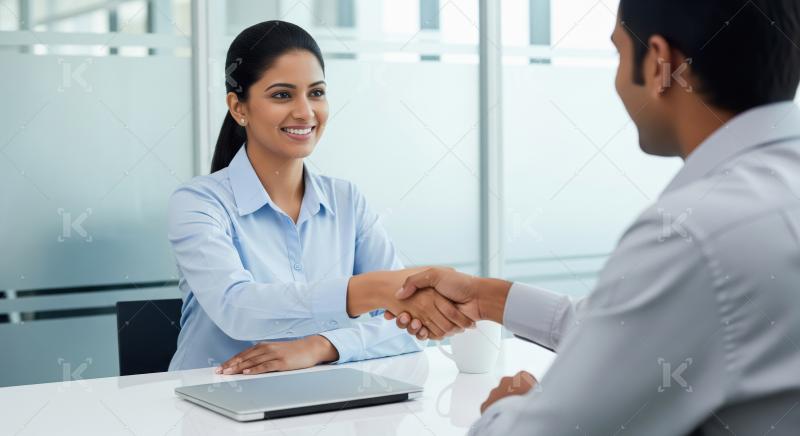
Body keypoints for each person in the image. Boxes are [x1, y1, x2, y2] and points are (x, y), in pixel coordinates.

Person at [388, 0, 800, 434]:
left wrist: (510, 409)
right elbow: (639, 330)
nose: (618, 80)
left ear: (661, 64)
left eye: (620, 54)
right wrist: (482, 296)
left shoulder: (696, 233)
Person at [167, 20, 473, 374]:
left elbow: (403, 324)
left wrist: (321, 346)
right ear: (239, 108)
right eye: (282, 95)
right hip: (212, 401)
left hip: (322, 397)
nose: (305, 111)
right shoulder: (198, 203)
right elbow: (238, 308)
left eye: (316, 93)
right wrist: (372, 289)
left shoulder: (346, 200)